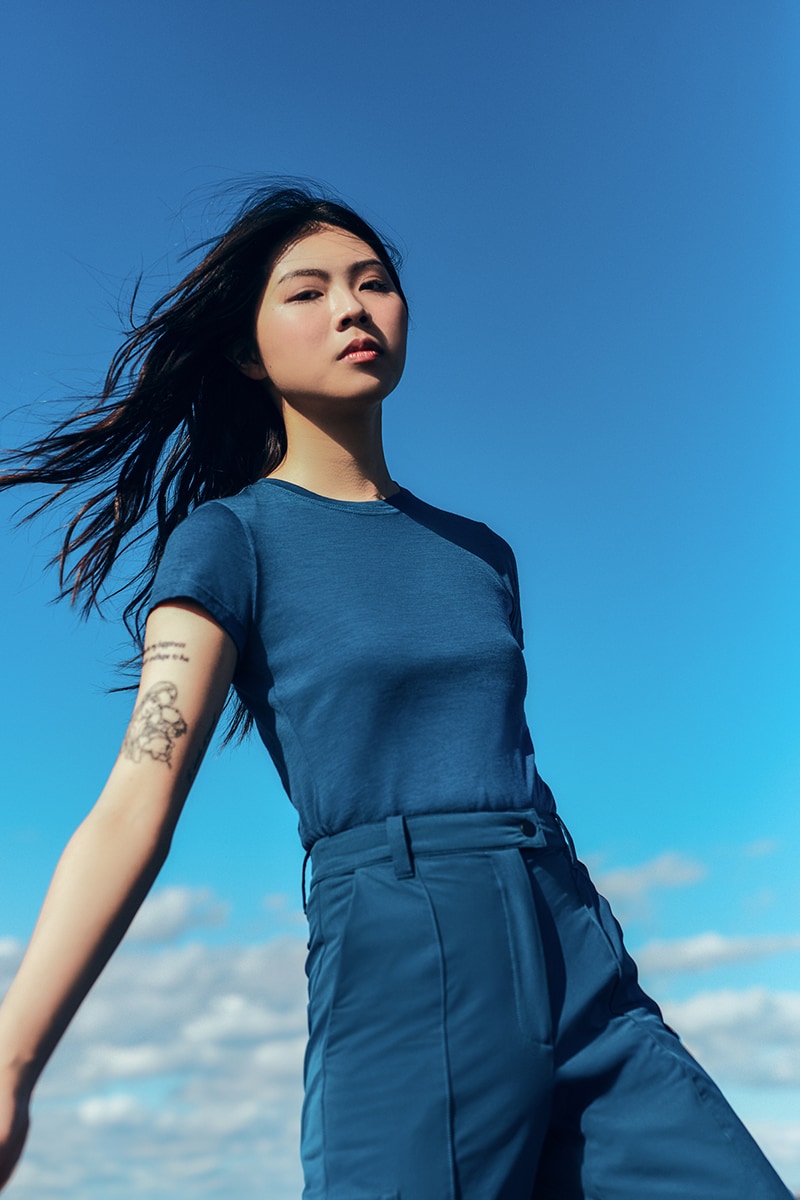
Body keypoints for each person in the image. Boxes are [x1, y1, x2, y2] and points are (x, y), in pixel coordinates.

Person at [0, 183, 791, 1200]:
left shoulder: (481, 554)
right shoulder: (231, 539)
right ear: (245, 352)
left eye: (374, 283)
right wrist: (14, 1062)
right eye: (308, 291)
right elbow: (135, 798)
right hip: (406, 946)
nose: (351, 308)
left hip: (572, 942)